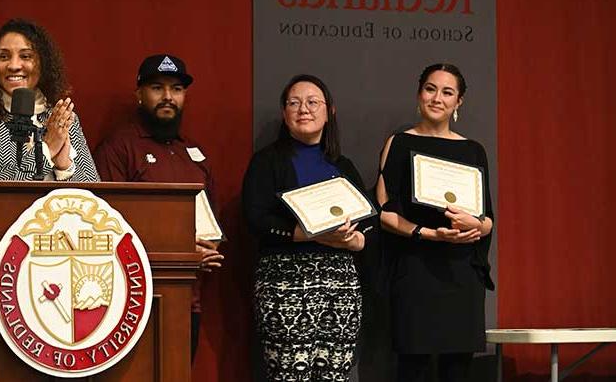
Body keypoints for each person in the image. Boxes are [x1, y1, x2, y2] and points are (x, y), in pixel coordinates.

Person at [242, 74, 376, 382]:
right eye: (294, 102)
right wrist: (308, 234)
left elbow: (370, 222)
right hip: (284, 286)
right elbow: (255, 219)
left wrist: (353, 242)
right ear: (284, 113)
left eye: (313, 102)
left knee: (336, 374)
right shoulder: (266, 161)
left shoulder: (343, 166)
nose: (304, 108)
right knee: (289, 374)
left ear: (329, 111)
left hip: (340, 289)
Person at [92, 54, 224, 359]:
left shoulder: (194, 153)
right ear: (139, 94)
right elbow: (104, 227)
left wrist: (208, 247)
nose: (168, 97)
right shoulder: (119, 147)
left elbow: (212, 224)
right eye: (157, 87)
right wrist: (179, 251)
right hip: (133, 301)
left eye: (176, 89)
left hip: (186, 300)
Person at [376, 63, 494, 382]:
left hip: (461, 275)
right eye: (430, 89)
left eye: (447, 92)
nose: (437, 98)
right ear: (419, 94)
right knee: (412, 369)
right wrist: (428, 234)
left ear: (459, 102)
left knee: (458, 369)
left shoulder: (473, 150)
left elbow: (488, 221)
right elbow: (384, 212)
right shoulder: (398, 143)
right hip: (416, 271)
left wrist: (474, 224)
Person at [0, 18, 99, 182]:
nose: (13, 65)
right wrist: (45, 151)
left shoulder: (61, 117)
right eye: (4, 56)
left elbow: (93, 194)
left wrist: (64, 167)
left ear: (44, 63)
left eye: (26, 56)